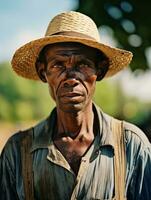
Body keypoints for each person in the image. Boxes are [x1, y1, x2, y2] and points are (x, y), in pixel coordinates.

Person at [0, 11, 151, 200]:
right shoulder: (16, 152)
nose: (71, 78)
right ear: (42, 72)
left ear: (100, 70)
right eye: (58, 65)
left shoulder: (132, 146)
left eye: (82, 64)